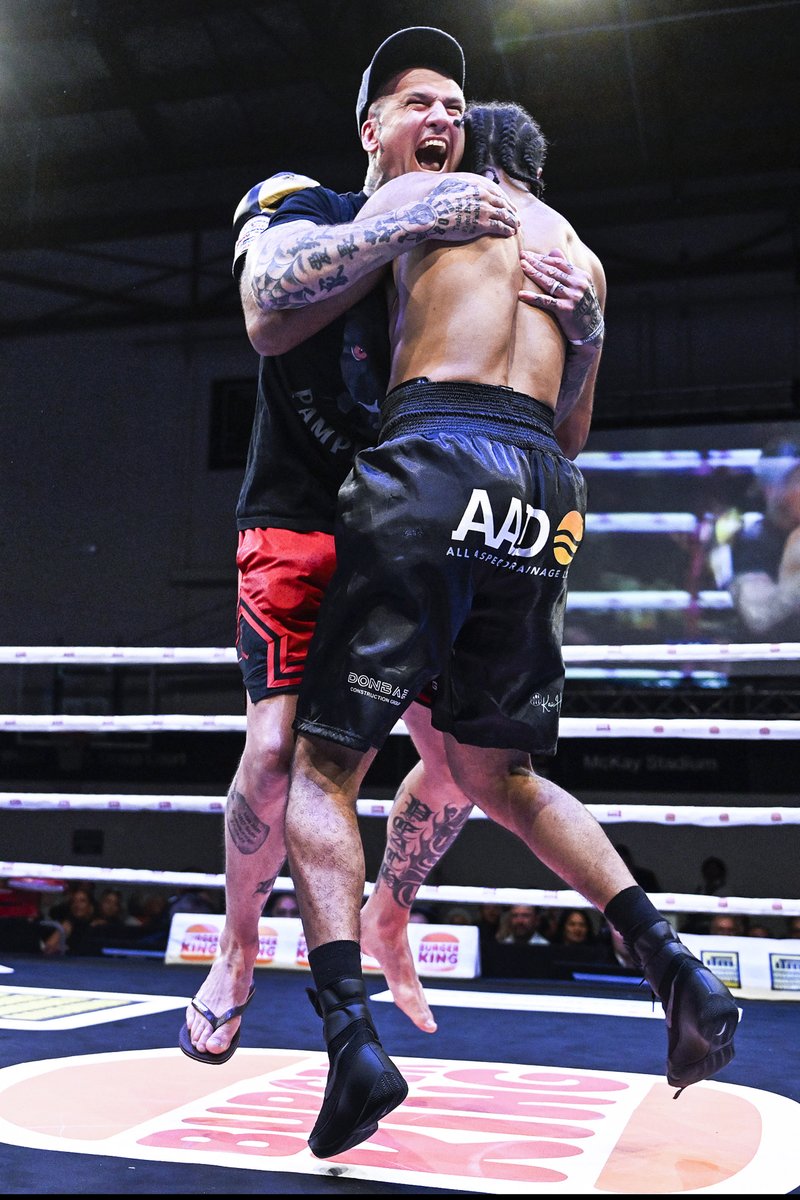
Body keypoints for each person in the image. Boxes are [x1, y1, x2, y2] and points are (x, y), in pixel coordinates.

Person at [284, 99, 740, 1157]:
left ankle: (348, 1040)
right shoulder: (578, 258)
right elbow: (571, 426)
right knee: (502, 775)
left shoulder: (423, 198)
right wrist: (582, 335)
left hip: (436, 455)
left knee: (324, 767)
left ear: (468, 152)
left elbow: (298, 301)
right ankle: (671, 964)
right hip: (539, 494)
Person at [181, 25, 522, 1065]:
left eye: (457, 111)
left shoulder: (465, 252)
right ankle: (236, 945)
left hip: (409, 532)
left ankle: (388, 912)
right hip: (293, 512)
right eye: (421, 102)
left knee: (462, 765)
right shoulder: (303, 202)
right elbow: (264, 317)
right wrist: (395, 220)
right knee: (275, 751)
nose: (444, 122)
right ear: (371, 126)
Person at [726, 438, 800, 638]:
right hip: (771, 665)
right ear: (772, 490)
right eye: (798, 481)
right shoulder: (752, 543)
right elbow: (758, 616)